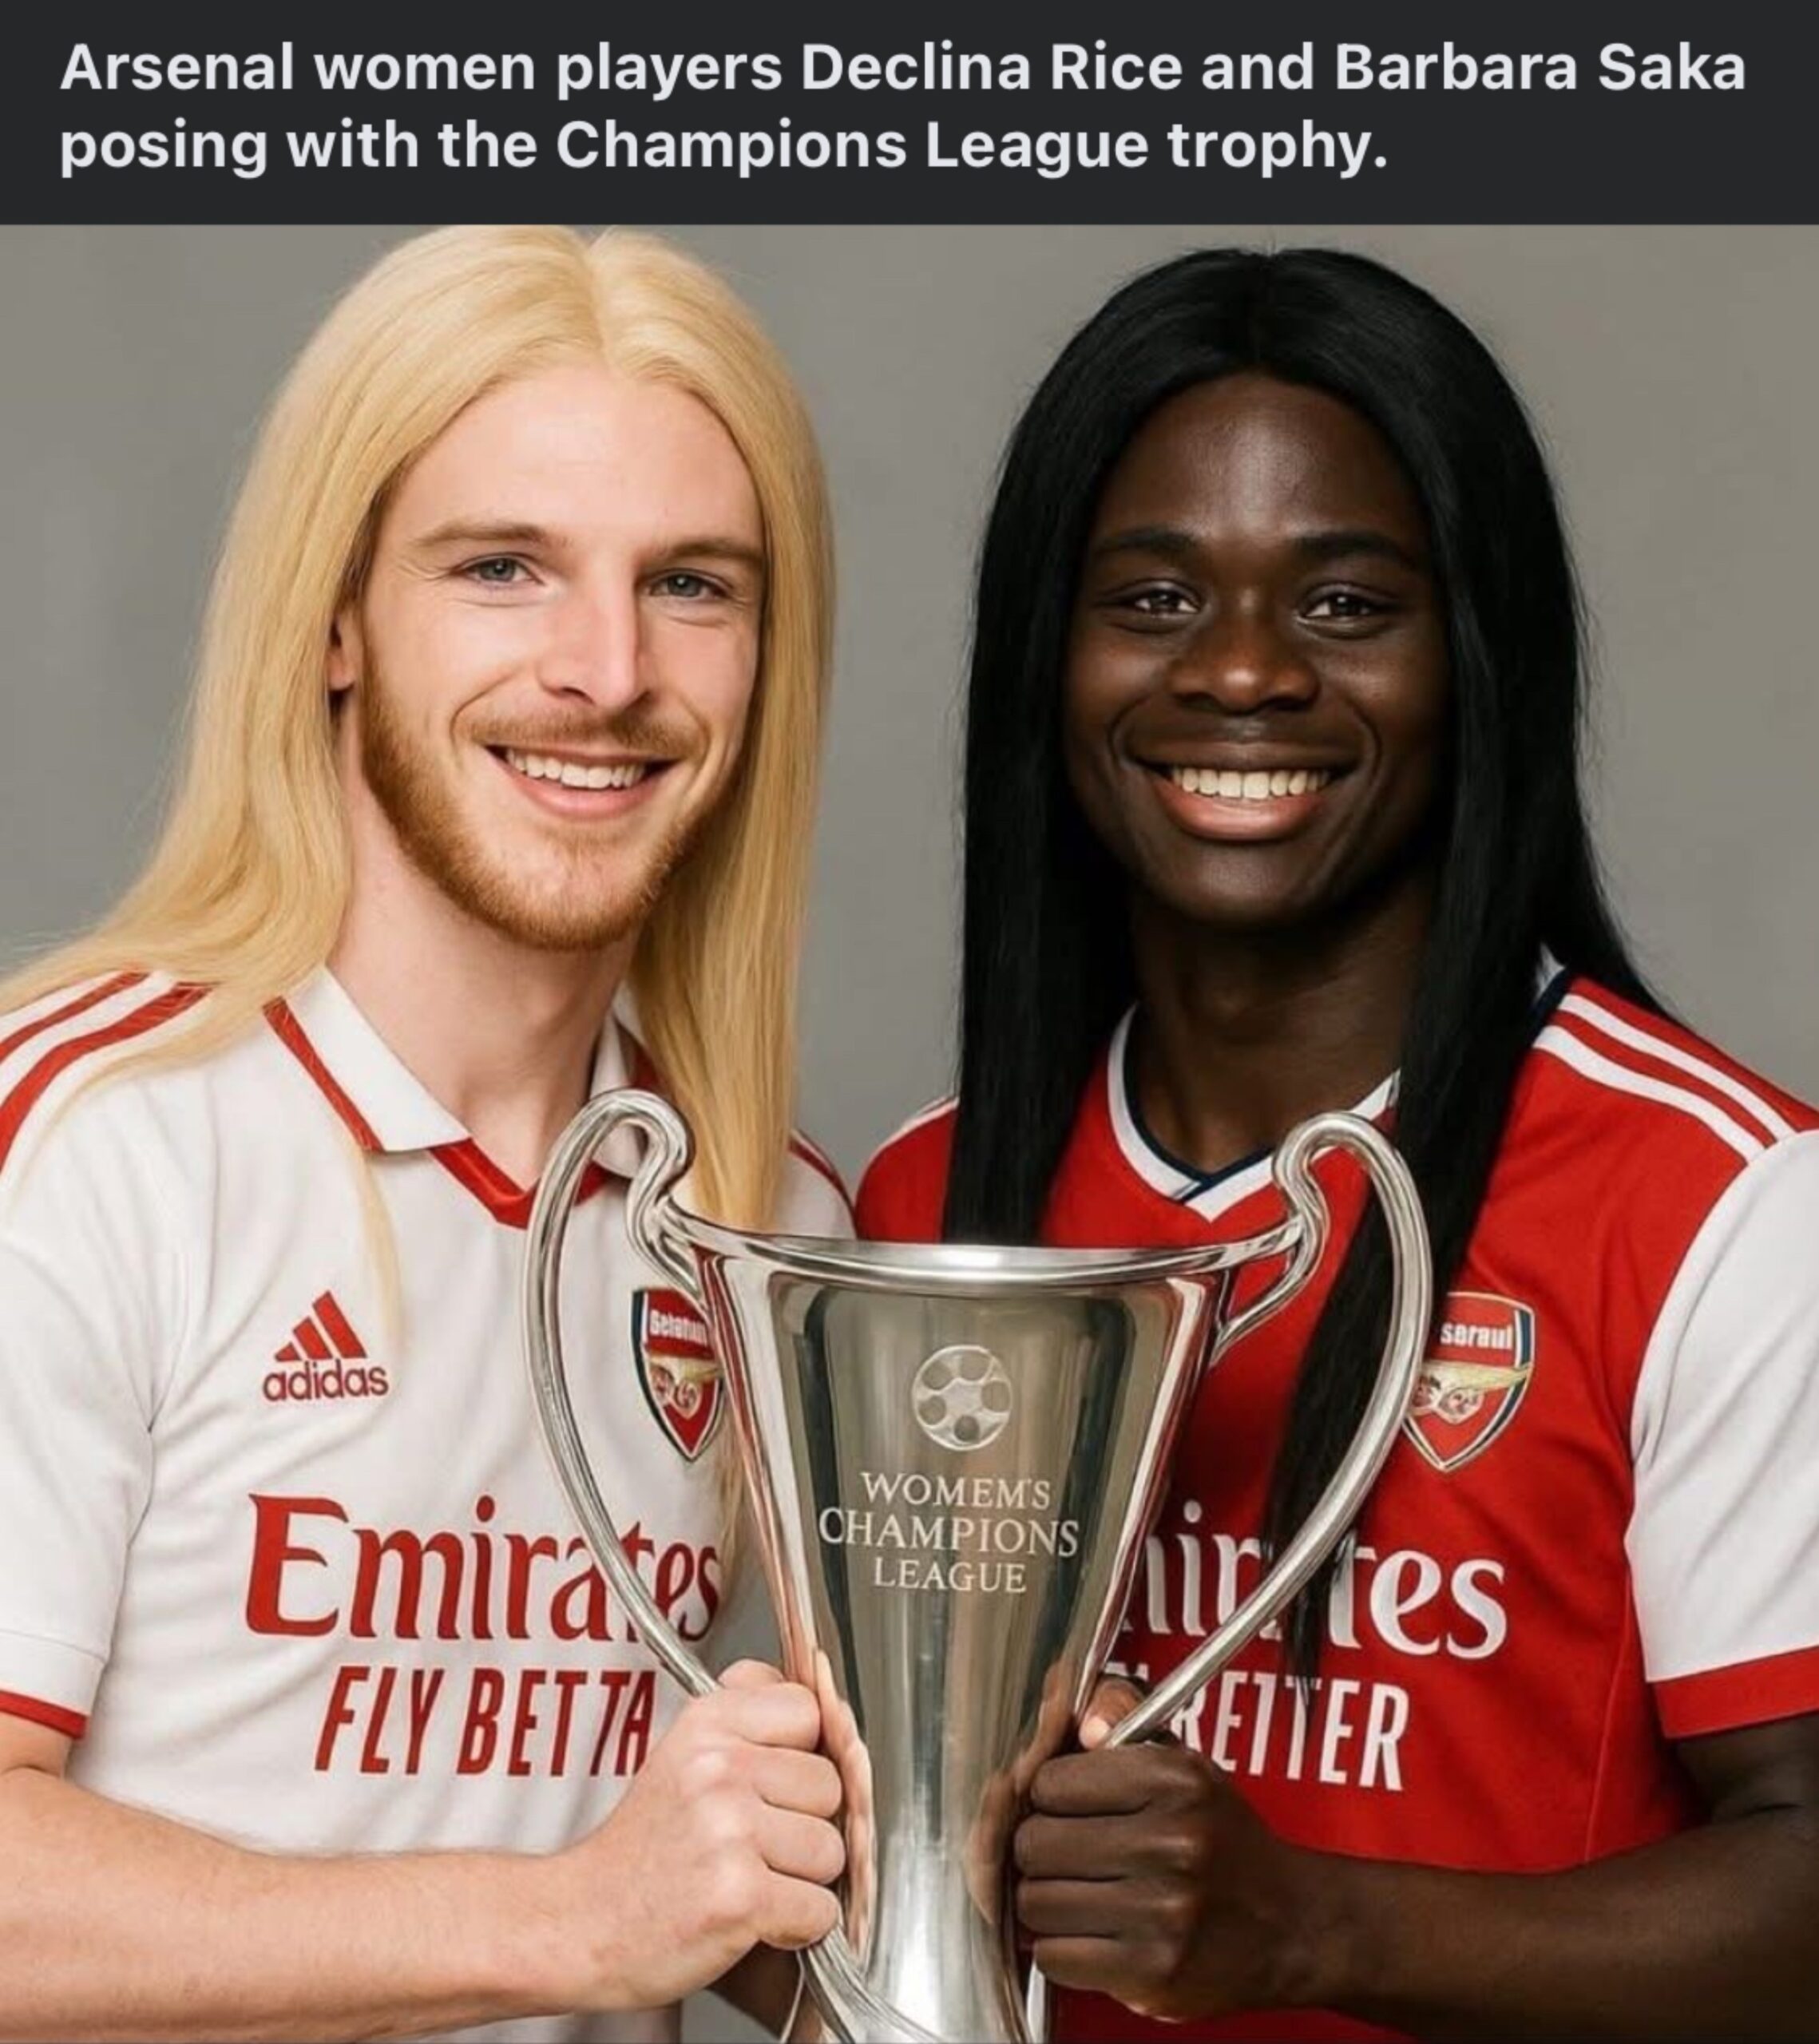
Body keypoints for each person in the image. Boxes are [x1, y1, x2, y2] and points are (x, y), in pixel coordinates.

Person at [857, 248, 1819, 2040]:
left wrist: (1309, 1929)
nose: (1236, 672)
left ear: (1475, 655)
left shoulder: (1714, 1202)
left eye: (1344, 604)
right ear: (1042, 660)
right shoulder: (927, 1205)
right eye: (1148, 596)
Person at [0, 224, 851, 2042]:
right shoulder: (91, 1138)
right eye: (503, 567)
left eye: (693, 583)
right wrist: (564, 1920)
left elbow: (758, 1901)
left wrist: (928, 1839)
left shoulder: (768, 1221)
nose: (606, 669)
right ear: (331, 618)